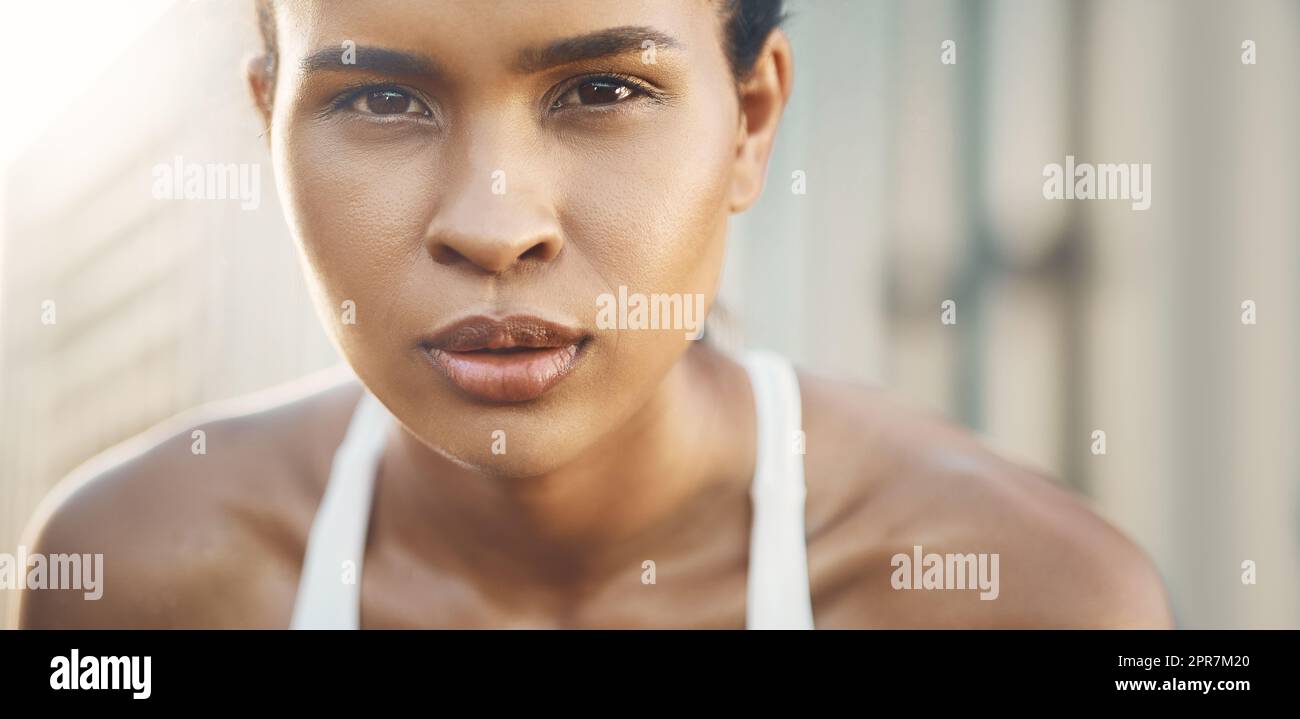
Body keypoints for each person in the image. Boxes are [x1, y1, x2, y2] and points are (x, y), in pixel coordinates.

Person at [17, 0, 1173, 629]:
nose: (492, 222)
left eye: (603, 89)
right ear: (267, 123)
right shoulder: (134, 573)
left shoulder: (1025, 598)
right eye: (379, 96)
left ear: (750, 119)